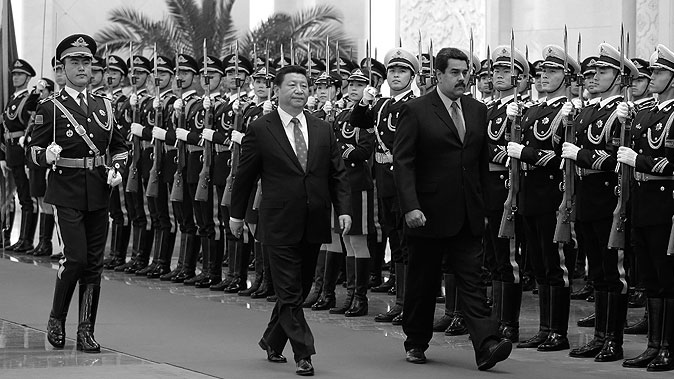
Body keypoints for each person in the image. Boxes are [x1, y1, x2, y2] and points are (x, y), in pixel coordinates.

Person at [229, 65, 351, 376]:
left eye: (304, 85)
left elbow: (337, 174)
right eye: (293, 85)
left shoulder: (322, 128)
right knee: (288, 290)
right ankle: (303, 353)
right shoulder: (261, 128)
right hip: (278, 221)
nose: (300, 90)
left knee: (299, 285)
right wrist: (236, 214)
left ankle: (272, 340)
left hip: (314, 219)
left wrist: (345, 209)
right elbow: (244, 177)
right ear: (277, 90)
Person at [393, 47, 511, 370]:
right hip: (426, 215)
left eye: (465, 73)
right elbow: (403, 163)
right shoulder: (416, 110)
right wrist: (410, 207)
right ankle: (416, 340)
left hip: (467, 214)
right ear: (439, 76)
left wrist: (489, 208)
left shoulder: (476, 110)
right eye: (455, 73)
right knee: (423, 281)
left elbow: (480, 163)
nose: (462, 78)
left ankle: (485, 345)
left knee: (471, 281)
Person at [28, 33, 127, 352]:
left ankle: (86, 330)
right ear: (61, 67)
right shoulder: (51, 107)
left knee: (94, 263)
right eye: (75, 62)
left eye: (87, 62)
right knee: (76, 257)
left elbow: (121, 146)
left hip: (99, 190)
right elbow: (31, 148)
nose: (82, 67)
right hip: (66, 190)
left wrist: (117, 168)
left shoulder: (106, 107)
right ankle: (57, 318)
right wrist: (46, 156)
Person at [563, 43, 639, 362]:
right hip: (587, 198)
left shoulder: (622, 111)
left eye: (603, 72)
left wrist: (579, 154)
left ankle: (613, 340)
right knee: (597, 273)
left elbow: (615, 159)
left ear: (619, 77)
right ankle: (599, 337)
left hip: (609, 198)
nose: (593, 78)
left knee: (613, 272)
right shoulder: (589, 110)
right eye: (591, 73)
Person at [507, 45, 580, 352]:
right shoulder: (532, 110)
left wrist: (525, 153)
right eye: (541, 72)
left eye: (552, 72)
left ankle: (558, 332)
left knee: (556, 265)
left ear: (567, 76)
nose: (543, 77)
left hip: (553, 196)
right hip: (530, 196)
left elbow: (562, 158)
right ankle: (544, 328)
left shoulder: (568, 112)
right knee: (537, 265)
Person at [618, 43, 674, 372]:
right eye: (652, 71)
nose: (652, 77)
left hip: (664, 204)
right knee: (650, 278)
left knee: (667, 279)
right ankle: (653, 344)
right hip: (641, 202)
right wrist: (627, 121)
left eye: (660, 72)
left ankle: (668, 346)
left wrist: (639, 160)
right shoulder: (648, 111)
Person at [1, 58, 39, 252]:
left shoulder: (29, 98)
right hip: (12, 150)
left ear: (28, 77)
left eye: (20, 75)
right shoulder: (14, 99)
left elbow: (31, 126)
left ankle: (27, 239)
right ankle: (20, 238)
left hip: (22, 151)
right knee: (18, 197)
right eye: (14, 74)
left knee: (27, 197)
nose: (15, 77)